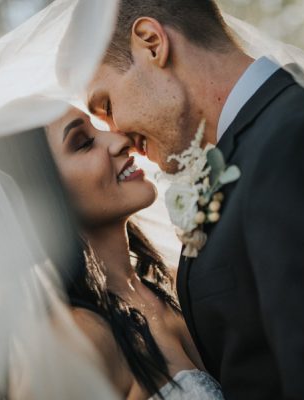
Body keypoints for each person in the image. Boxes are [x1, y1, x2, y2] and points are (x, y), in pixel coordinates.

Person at [86, 0, 304, 399]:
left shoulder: (300, 142)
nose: (117, 133)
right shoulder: (261, 147)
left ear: (152, 43)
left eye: (106, 106)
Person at [42, 107, 225, 399]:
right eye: (84, 142)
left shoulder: (173, 284)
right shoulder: (74, 340)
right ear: (45, 197)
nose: (119, 140)